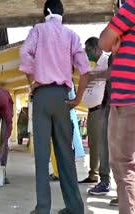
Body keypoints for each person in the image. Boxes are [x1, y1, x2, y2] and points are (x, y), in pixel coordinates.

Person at [19, 0, 91, 213]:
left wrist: (33, 81)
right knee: (65, 155)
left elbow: (24, 54)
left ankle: (43, 209)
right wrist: (77, 99)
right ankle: (75, 207)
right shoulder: (71, 35)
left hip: (41, 97)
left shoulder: (38, 31)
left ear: (45, 13)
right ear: (62, 13)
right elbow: (85, 71)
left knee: (42, 158)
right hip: (62, 98)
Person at [99, 1, 135, 209]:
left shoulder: (131, 6)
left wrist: (113, 43)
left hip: (128, 99)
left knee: (124, 167)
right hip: (122, 101)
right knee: (123, 165)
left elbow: (104, 42)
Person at [79, 38, 110, 194]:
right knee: (93, 144)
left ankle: (104, 179)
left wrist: (94, 76)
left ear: (97, 49)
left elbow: (110, 75)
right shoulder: (97, 65)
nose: (86, 52)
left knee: (101, 145)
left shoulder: (106, 61)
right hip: (92, 110)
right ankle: (93, 174)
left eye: (88, 49)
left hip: (101, 110)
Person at [50, 85, 85, 181]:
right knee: (56, 146)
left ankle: (64, 173)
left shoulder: (67, 83)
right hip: (58, 118)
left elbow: (73, 101)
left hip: (65, 118)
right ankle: (58, 172)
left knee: (65, 147)